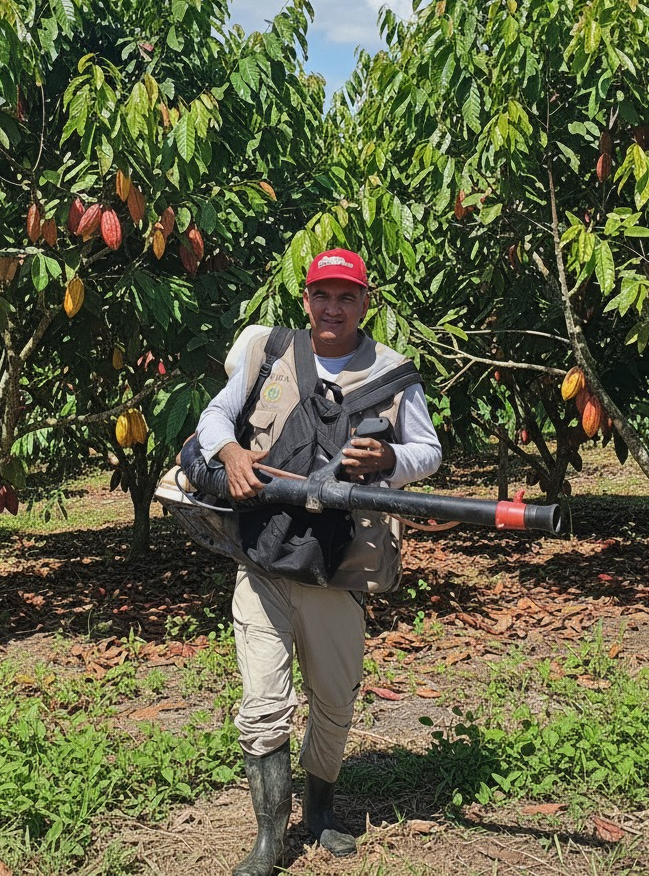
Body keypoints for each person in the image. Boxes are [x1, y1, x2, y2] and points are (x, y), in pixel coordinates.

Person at [195, 249, 442, 876]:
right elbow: (215, 415)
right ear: (305, 300)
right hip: (266, 558)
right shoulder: (268, 352)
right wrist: (229, 454)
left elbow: (428, 452)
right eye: (322, 296)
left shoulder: (392, 373)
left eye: (347, 297)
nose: (333, 308)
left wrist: (386, 463)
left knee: (333, 701)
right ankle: (267, 839)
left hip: (340, 569)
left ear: (365, 302)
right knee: (262, 706)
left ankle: (321, 809)